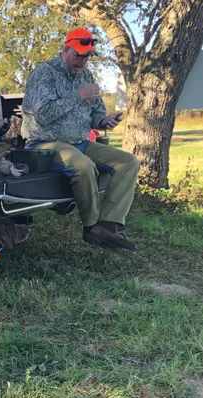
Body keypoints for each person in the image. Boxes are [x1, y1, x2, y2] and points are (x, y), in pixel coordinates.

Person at [21, 28, 140, 252]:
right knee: (83, 166)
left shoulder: (87, 76)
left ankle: (109, 226)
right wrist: (78, 95)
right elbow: (43, 115)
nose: (83, 61)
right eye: (78, 54)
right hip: (45, 142)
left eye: (86, 56)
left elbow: (95, 113)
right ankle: (92, 226)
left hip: (80, 142)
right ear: (66, 49)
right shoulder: (44, 73)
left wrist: (105, 121)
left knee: (128, 162)